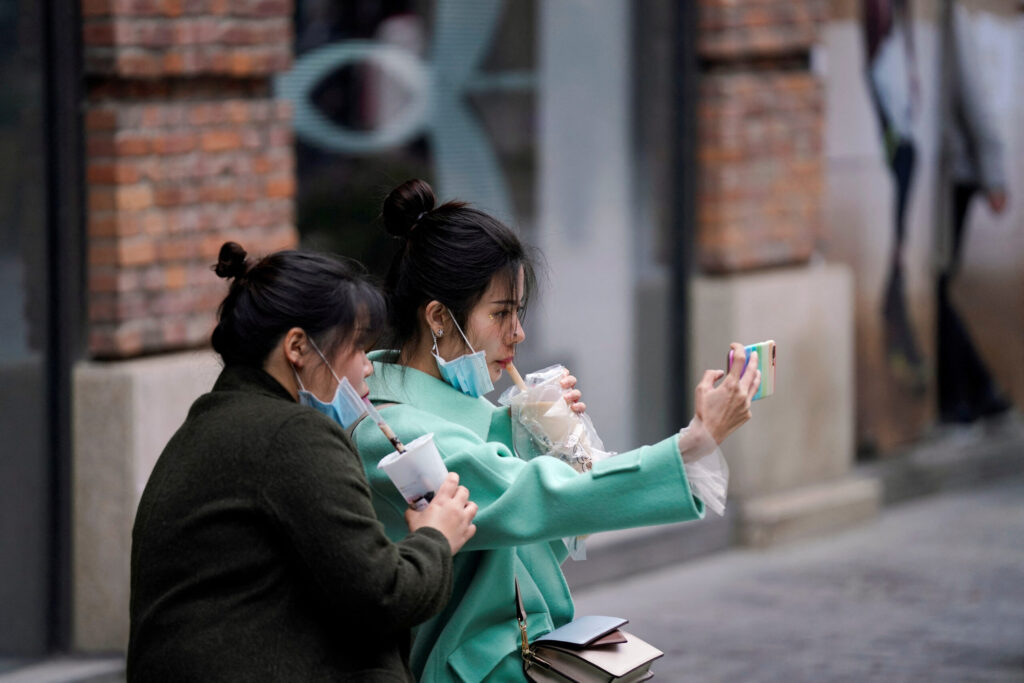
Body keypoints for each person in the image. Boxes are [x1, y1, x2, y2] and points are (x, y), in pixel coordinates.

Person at [351, 179, 760, 681]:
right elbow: (532, 501)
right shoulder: (394, 435)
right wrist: (688, 446)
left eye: (517, 314)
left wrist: (550, 438)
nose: (517, 334)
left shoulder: (463, 413)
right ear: (438, 316)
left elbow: (532, 541)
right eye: (500, 314)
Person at [127, 242, 478, 682]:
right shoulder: (291, 435)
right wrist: (435, 537)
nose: (367, 367)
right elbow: (384, 594)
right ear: (298, 347)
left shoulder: (210, 424)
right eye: (356, 348)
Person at [936, 2, 1011, 424]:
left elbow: (971, 89)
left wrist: (993, 172)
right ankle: (974, 390)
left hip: (954, 172)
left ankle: (969, 392)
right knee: (939, 284)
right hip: (942, 173)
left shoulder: (945, 10)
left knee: (939, 283)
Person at [862, 0, 928, 392]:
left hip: (905, 152)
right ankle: (900, 336)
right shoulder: (880, 38)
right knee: (896, 254)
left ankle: (901, 334)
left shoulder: (900, 34)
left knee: (899, 254)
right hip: (895, 153)